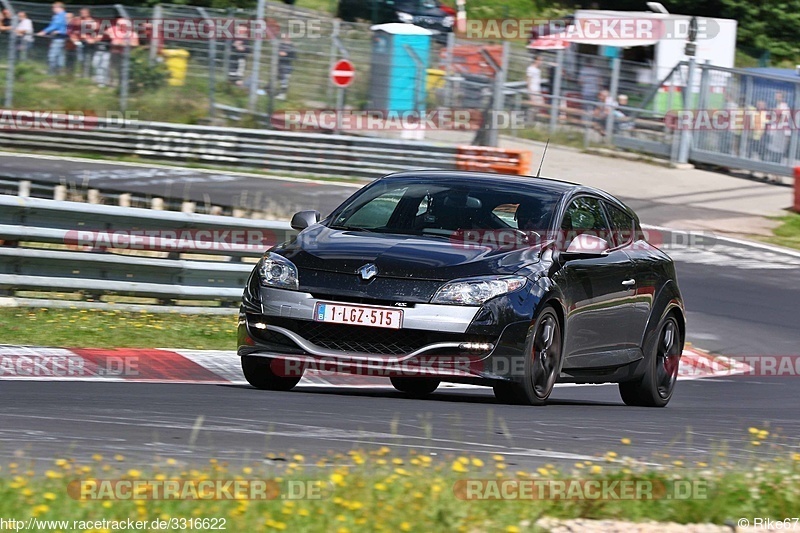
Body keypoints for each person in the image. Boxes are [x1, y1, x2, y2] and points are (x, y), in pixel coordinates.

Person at [37, 2, 68, 75]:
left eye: (54, 7)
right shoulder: (63, 15)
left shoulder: (60, 16)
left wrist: (44, 31)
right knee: (60, 57)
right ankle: (59, 73)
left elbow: (55, 25)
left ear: (59, 7)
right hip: (61, 38)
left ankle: (51, 73)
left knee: (52, 56)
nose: (53, 9)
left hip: (59, 38)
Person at [108, 17, 139, 87]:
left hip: (125, 54)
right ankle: (111, 83)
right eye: (117, 24)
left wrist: (121, 43)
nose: (118, 26)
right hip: (114, 53)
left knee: (123, 70)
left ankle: (122, 85)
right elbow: (107, 33)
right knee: (112, 69)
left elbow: (135, 44)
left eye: (120, 25)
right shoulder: (114, 30)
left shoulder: (132, 34)